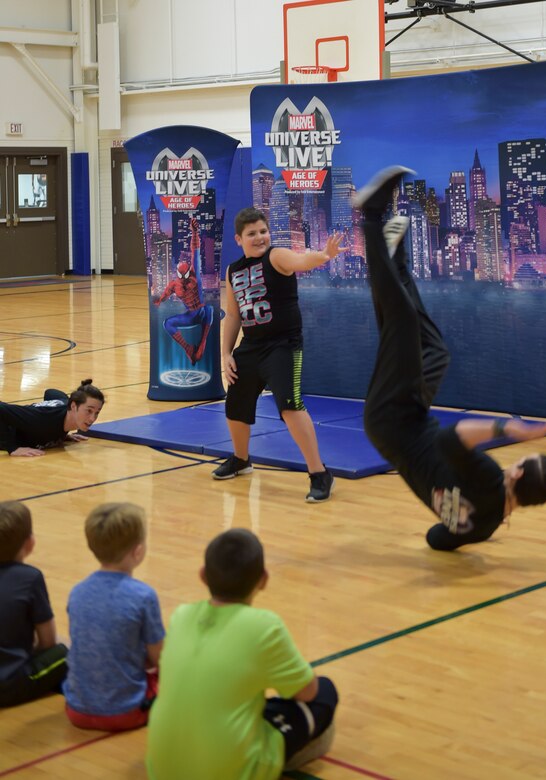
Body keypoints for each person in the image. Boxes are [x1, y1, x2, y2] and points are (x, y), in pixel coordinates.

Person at [355, 167, 546, 551]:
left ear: (517, 472)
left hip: (395, 417)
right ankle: (395, 259)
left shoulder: (488, 480)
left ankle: (370, 214)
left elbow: (452, 438)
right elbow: (437, 539)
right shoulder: (484, 524)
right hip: (404, 424)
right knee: (435, 352)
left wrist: (510, 430)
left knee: (399, 321)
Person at [146, 528, 338, 780]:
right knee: (325, 691)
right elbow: (308, 692)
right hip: (233, 773)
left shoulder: (181, 615)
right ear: (264, 579)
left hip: (161, 772)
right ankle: (279, 757)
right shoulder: (265, 626)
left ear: (202, 576)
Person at [212, 207, 346, 502]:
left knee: (290, 405)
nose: (259, 237)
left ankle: (319, 473)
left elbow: (302, 261)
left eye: (263, 231)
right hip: (251, 346)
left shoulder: (276, 256)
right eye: (252, 234)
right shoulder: (233, 271)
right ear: (239, 239)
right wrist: (226, 354)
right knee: (236, 402)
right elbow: (233, 315)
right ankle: (241, 459)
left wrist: (324, 256)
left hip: (283, 345)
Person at [63, 502, 165, 731]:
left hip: (76, 710)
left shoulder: (77, 591)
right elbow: (160, 660)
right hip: (126, 712)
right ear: (138, 551)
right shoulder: (143, 595)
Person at [0, 500, 67, 707]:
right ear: (30, 543)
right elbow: (47, 642)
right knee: (65, 653)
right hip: (8, 685)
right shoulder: (30, 578)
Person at [152, 216, 214, 366]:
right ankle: (188, 349)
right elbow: (167, 292)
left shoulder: (194, 273)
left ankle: (202, 344)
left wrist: (194, 233)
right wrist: (160, 300)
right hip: (191, 315)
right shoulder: (175, 284)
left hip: (201, 312)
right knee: (167, 323)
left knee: (209, 309)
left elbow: (195, 253)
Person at [0, 379, 105, 457]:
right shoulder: (41, 419)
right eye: (89, 411)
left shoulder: (65, 405)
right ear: (73, 406)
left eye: (97, 413)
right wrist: (12, 448)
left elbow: (50, 392)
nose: (92, 419)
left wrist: (62, 434)